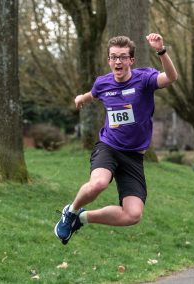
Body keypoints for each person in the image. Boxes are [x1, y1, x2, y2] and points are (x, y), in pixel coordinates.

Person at [54, 33, 178, 245]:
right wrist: (80, 99)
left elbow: (171, 78)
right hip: (109, 147)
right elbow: (92, 94)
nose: (117, 61)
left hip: (134, 156)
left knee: (133, 215)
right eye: (113, 57)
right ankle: (71, 211)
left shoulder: (144, 79)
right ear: (109, 60)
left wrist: (161, 51)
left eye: (122, 57)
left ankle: (82, 219)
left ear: (131, 60)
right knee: (98, 184)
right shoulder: (103, 83)